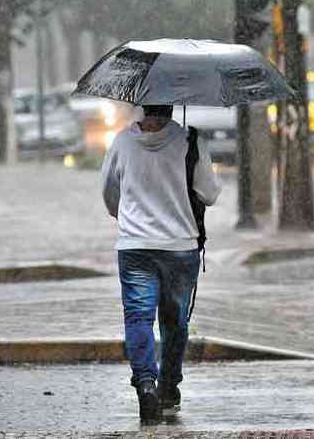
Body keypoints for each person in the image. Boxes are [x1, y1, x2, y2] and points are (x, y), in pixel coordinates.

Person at [101, 104, 221, 421]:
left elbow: (109, 193)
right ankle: (169, 386)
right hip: (180, 248)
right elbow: (209, 194)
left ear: (143, 104)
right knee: (174, 322)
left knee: (139, 318)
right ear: (172, 104)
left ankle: (145, 385)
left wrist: (128, 216)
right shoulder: (190, 142)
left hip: (135, 247)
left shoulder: (122, 142)